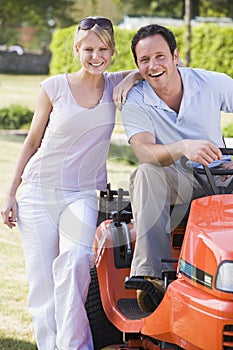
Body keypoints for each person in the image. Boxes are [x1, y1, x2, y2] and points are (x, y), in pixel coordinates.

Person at [1, 17, 141, 350]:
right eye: (89, 49)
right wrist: (10, 193)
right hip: (37, 192)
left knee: (77, 261)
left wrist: (134, 75)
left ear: (113, 52)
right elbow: (32, 141)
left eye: (103, 49)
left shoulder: (114, 84)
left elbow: (152, 69)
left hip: (81, 194)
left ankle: (75, 346)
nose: (96, 56)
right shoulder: (53, 88)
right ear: (77, 49)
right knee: (43, 283)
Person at [119, 24, 233, 312]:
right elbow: (144, 151)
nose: (153, 66)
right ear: (137, 66)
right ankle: (151, 276)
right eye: (144, 61)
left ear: (175, 56)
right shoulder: (135, 99)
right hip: (180, 180)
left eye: (160, 57)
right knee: (145, 173)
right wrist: (183, 147)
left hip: (222, 177)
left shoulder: (211, 83)